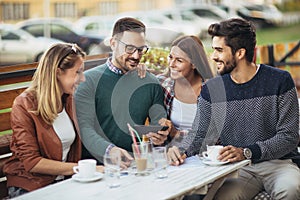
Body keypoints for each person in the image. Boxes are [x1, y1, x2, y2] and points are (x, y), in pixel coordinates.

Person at [168, 18, 300, 200]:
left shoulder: (280, 81)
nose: (213, 56)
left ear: (240, 53)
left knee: (290, 189)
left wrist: (247, 152)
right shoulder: (212, 90)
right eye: (213, 49)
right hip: (239, 169)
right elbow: (199, 134)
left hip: (279, 164)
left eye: (219, 50)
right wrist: (179, 150)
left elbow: (289, 136)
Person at [3, 43, 104, 198]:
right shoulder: (24, 105)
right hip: (30, 186)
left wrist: (111, 152)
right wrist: (82, 169)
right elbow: (32, 162)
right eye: (78, 72)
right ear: (58, 73)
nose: (83, 79)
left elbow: (90, 130)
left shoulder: (69, 100)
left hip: (64, 181)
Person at [75, 17, 169, 167]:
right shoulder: (87, 81)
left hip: (137, 165)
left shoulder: (150, 82)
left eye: (140, 49)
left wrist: (159, 134)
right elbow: (84, 129)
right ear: (113, 44)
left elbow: (158, 119)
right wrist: (110, 150)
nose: (136, 56)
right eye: (130, 48)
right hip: (99, 167)